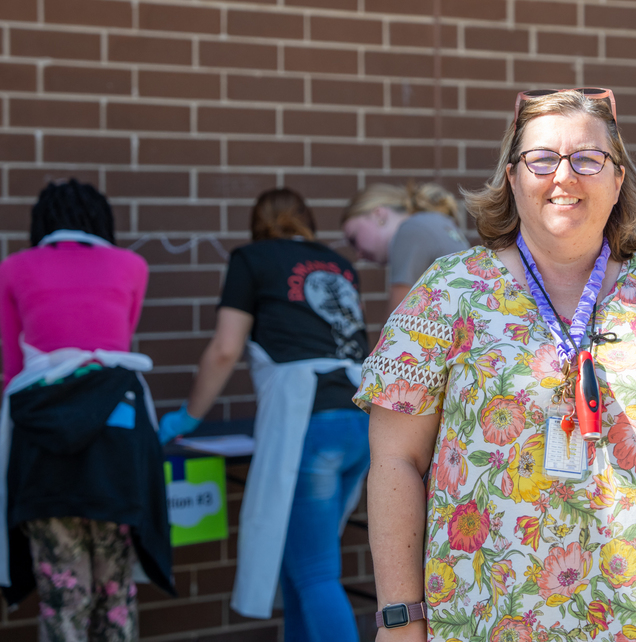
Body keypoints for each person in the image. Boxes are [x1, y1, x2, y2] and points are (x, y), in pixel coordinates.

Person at [356, 89, 636, 642]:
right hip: (488, 622)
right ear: (511, 176)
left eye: (587, 158)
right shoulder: (447, 295)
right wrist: (400, 616)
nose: (564, 175)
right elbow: (394, 460)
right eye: (542, 158)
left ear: (618, 177)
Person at [157, 187, 370, 641]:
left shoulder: (251, 259)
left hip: (310, 426)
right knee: (301, 565)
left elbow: (224, 349)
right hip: (359, 421)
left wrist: (187, 418)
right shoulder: (340, 265)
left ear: (257, 225)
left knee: (314, 573)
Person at [0, 179, 173, 641]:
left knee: (64, 592)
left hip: (42, 434)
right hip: (117, 435)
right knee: (115, 589)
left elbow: (12, 369)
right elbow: (114, 347)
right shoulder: (132, 266)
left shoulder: (13, 268)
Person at [342, 182, 469, 314]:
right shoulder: (435, 222)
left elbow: (397, 324)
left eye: (353, 239)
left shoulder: (409, 230)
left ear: (378, 215)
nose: (358, 254)